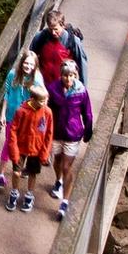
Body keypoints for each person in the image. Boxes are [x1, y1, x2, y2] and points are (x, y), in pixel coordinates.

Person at [48, 59, 94, 219]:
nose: (69, 79)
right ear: (61, 75)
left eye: (72, 75)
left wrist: (88, 131)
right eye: (66, 75)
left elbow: (87, 112)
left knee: (67, 166)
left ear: (76, 75)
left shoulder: (81, 91)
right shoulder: (53, 88)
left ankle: (65, 201)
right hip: (56, 133)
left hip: (73, 134)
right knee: (57, 161)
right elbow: (44, 107)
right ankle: (58, 180)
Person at [0, 51, 41, 191]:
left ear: (35, 66)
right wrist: (2, 114)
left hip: (27, 118)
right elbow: (7, 93)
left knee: (22, 145)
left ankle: (17, 170)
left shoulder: (36, 80)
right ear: (22, 63)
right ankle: (0, 175)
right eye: (26, 63)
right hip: (11, 115)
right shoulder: (12, 75)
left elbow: (40, 100)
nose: (28, 66)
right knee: (8, 143)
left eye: (31, 64)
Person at [4, 84, 53, 212]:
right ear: (33, 99)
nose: (45, 103)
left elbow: (49, 134)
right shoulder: (21, 111)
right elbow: (13, 131)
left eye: (46, 100)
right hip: (20, 147)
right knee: (16, 172)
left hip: (37, 148)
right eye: (42, 100)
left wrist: (45, 153)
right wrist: (13, 150)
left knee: (32, 173)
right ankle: (14, 192)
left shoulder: (47, 112)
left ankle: (29, 194)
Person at [30, 8, 88, 88]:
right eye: (50, 29)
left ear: (62, 25)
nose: (53, 32)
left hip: (64, 86)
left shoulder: (73, 41)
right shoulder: (40, 37)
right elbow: (30, 57)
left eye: (56, 29)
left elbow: (82, 63)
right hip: (43, 86)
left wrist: (82, 88)